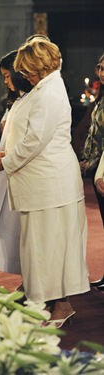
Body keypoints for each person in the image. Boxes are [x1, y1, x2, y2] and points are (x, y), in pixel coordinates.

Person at [0, 39, 90, 327]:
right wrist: (6, 152)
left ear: (40, 67)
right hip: (41, 182)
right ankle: (41, 298)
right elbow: (31, 137)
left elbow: (35, 141)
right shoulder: (44, 88)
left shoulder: (50, 93)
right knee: (40, 247)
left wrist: (5, 162)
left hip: (52, 183)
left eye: (28, 70)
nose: (25, 76)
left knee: (54, 247)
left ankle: (62, 305)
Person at [0, 50, 32, 273]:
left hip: (20, 171)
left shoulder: (30, 100)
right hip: (8, 166)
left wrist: (5, 155)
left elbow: (30, 140)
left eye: (6, 75)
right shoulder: (17, 100)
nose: (4, 80)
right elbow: (10, 138)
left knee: (15, 229)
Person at [81, 54, 104, 289]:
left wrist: (90, 164)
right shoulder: (100, 99)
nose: (103, 73)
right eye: (101, 68)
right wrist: (86, 160)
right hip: (97, 168)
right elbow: (92, 136)